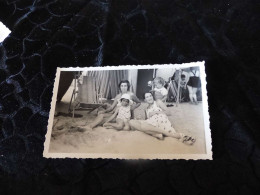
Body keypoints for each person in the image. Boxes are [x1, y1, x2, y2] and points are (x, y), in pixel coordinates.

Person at [129, 92, 196, 144]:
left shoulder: (158, 102)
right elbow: (147, 120)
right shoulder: (146, 109)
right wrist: (139, 119)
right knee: (131, 122)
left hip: (161, 120)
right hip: (152, 122)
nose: (149, 98)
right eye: (147, 97)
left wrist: (155, 112)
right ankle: (156, 134)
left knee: (143, 126)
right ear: (145, 100)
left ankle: (169, 134)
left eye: (150, 96)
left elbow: (168, 112)